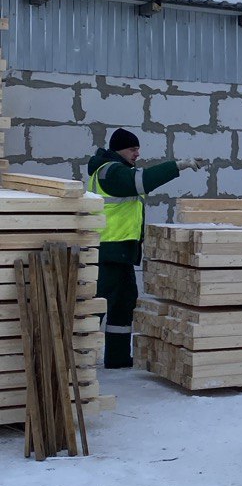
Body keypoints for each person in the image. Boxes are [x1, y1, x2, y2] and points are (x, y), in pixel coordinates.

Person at [87, 128, 205, 368]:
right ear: (119, 150)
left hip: (121, 252)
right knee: (96, 306)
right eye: (132, 149)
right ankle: (77, 358)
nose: (137, 153)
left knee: (123, 304)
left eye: (138, 148)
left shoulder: (119, 170)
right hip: (105, 251)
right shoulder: (110, 172)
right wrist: (178, 165)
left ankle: (117, 357)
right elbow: (141, 181)